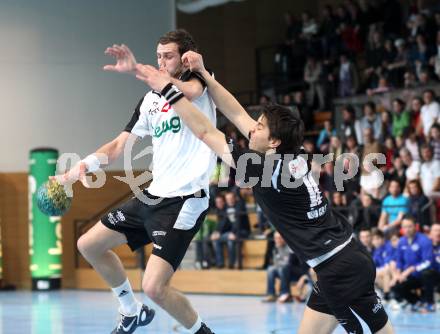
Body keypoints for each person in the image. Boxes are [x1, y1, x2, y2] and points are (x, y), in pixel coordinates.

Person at [134, 52, 394, 333]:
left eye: (258, 126)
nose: (251, 128)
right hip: (346, 258)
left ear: (273, 141)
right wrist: (205, 75)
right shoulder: (292, 151)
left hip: (338, 267)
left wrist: (168, 90)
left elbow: (206, 132)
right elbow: (236, 113)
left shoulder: (263, 169)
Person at [57, 30, 216, 334]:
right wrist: (72, 173)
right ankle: (131, 310)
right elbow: (117, 148)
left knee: (155, 287)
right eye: (158, 56)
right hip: (153, 195)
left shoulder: (199, 82)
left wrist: (137, 70)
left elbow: (191, 93)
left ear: (184, 57)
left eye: (167, 56)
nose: (160, 61)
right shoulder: (150, 102)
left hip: (185, 200)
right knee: (88, 244)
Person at [262, 232, 294, 303]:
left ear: (284, 238)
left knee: (283, 268)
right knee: (270, 269)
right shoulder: (275, 248)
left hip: (293, 271)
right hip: (282, 270)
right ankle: (271, 294)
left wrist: (280, 263)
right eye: (276, 238)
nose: (277, 240)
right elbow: (275, 263)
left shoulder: (290, 247)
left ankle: (284, 293)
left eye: (279, 238)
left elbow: (288, 263)